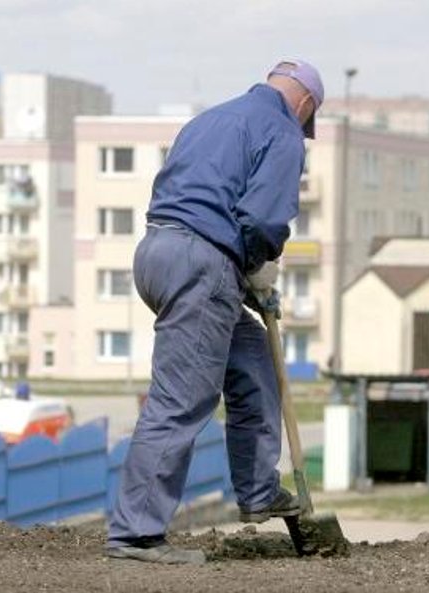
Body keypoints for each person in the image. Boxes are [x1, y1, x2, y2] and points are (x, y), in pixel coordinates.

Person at [106, 60, 324, 565]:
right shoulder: (283, 131)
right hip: (202, 262)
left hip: (159, 252)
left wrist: (237, 273)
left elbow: (191, 195)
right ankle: (135, 534)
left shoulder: (210, 120)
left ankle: (257, 489)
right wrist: (259, 265)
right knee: (181, 400)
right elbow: (265, 218)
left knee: (254, 363)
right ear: (305, 105)